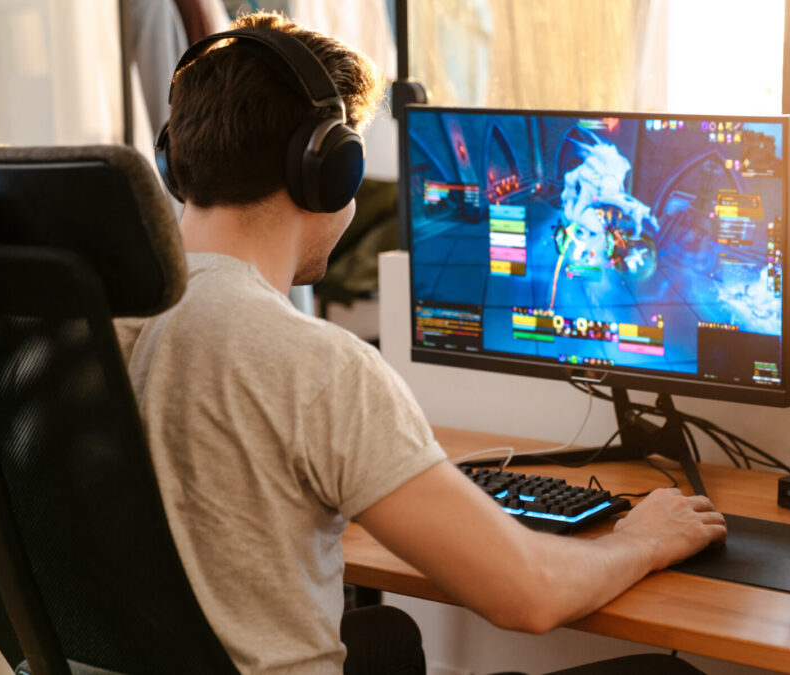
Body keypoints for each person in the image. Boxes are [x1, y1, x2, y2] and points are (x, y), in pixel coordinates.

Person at [116, 10, 726, 674]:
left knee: (385, 634)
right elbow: (530, 595)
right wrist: (639, 540)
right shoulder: (317, 367)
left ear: (177, 161)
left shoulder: (96, 329)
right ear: (331, 171)